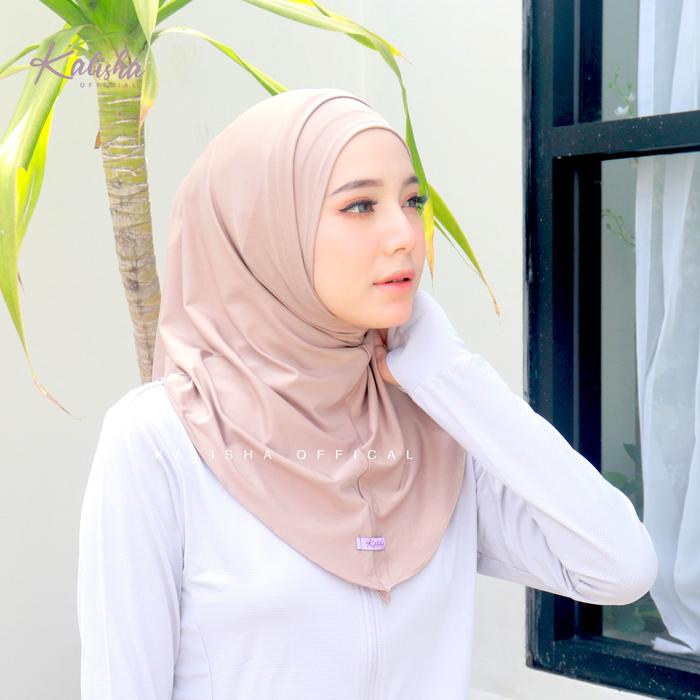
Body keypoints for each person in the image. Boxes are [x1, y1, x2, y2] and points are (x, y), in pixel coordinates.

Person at [76, 87, 658, 699]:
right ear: (265, 228)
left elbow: (619, 566)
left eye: (411, 201)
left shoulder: (432, 426)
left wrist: (451, 372)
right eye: (359, 205)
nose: (404, 234)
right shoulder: (162, 441)